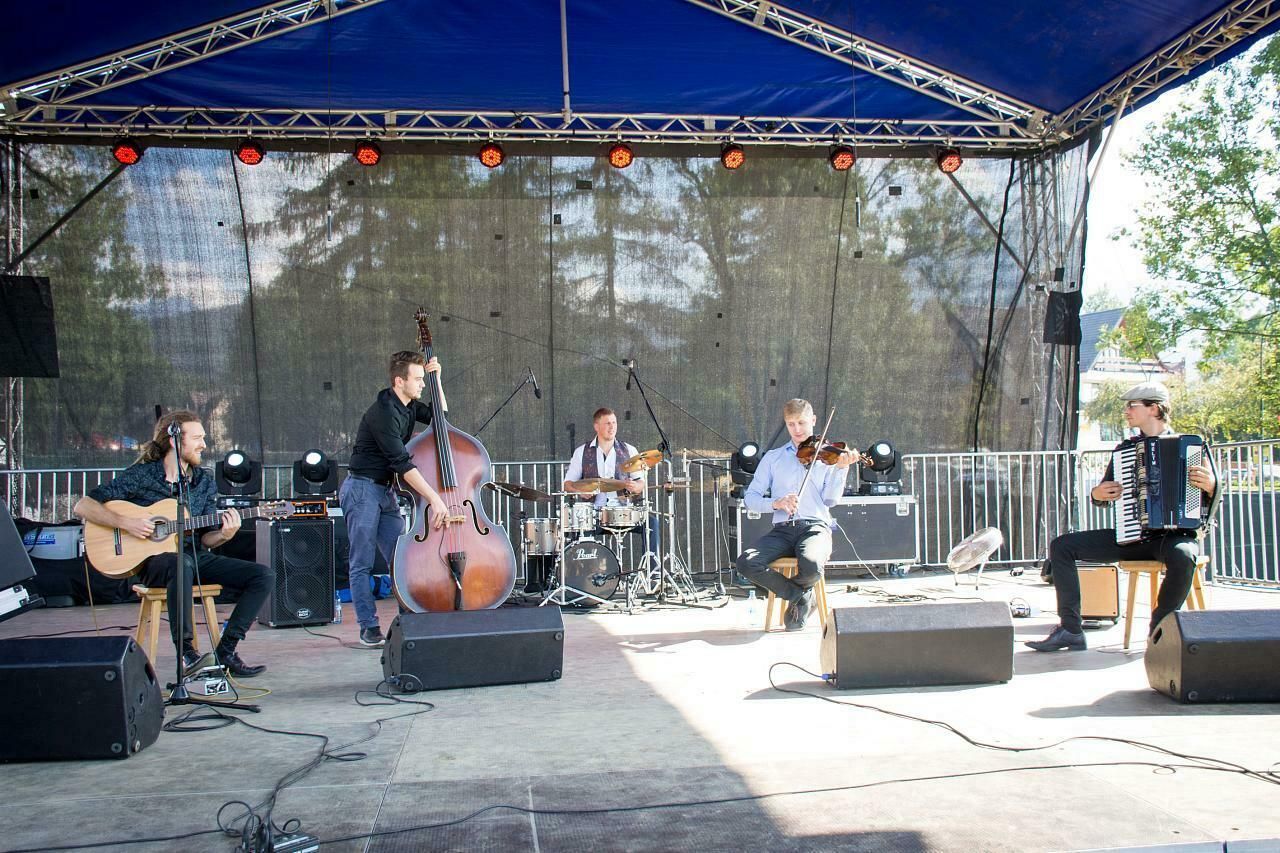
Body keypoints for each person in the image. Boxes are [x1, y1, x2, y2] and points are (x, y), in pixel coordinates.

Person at [74, 411, 271, 677]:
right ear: (174, 440)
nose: (204, 445)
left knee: (262, 575)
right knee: (181, 563)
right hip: (155, 563)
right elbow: (83, 505)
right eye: (197, 438)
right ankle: (188, 654)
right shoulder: (142, 475)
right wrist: (126, 523)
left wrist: (225, 534)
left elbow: (207, 537)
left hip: (194, 555)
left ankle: (225, 652)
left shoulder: (203, 481)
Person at [1027, 381, 1218, 652]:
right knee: (1062, 546)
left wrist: (1211, 486)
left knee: (1184, 556)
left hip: (1173, 537)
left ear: (1154, 409)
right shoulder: (1126, 451)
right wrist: (1098, 493)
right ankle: (1071, 630)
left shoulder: (1191, 448)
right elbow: (1101, 495)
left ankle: (1159, 631)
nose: (1126, 411)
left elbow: (1214, 497)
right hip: (1132, 536)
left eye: (1132, 406)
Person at [341, 350, 456, 647]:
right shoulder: (383, 413)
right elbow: (402, 464)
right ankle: (369, 628)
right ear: (399, 381)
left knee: (401, 557)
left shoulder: (410, 405)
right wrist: (435, 499)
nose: (422, 384)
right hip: (362, 489)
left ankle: (410, 618)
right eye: (418, 379)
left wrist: (436, 379)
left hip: (384, 490)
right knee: (362, 562)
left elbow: (440, 419)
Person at [735, 399, 856, 630]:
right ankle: (801, 597)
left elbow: (830, 500)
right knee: (746, 563)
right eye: (791, 424)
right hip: (782, 530)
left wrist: (842, 469)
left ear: (813, 420)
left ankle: (796, 596)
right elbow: (751, 499)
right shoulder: (773, 457)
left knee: (812, 565)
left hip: (815, 527)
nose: (797, 429)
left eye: (801, 423)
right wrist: (776, 503)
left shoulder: (828, 457)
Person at [561, 408, 658, 565]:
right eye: (607, 423)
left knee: (652, 523)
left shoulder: (629, 450)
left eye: (614, 423)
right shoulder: (582, 452)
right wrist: (580, 491)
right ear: (596, 426)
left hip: (623, 511)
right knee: (580, 529)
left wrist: (635, 486)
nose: (612, 427)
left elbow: (640, 483)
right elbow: (567, 484)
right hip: (594, 514)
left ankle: (652, 571)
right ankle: (586, 572)